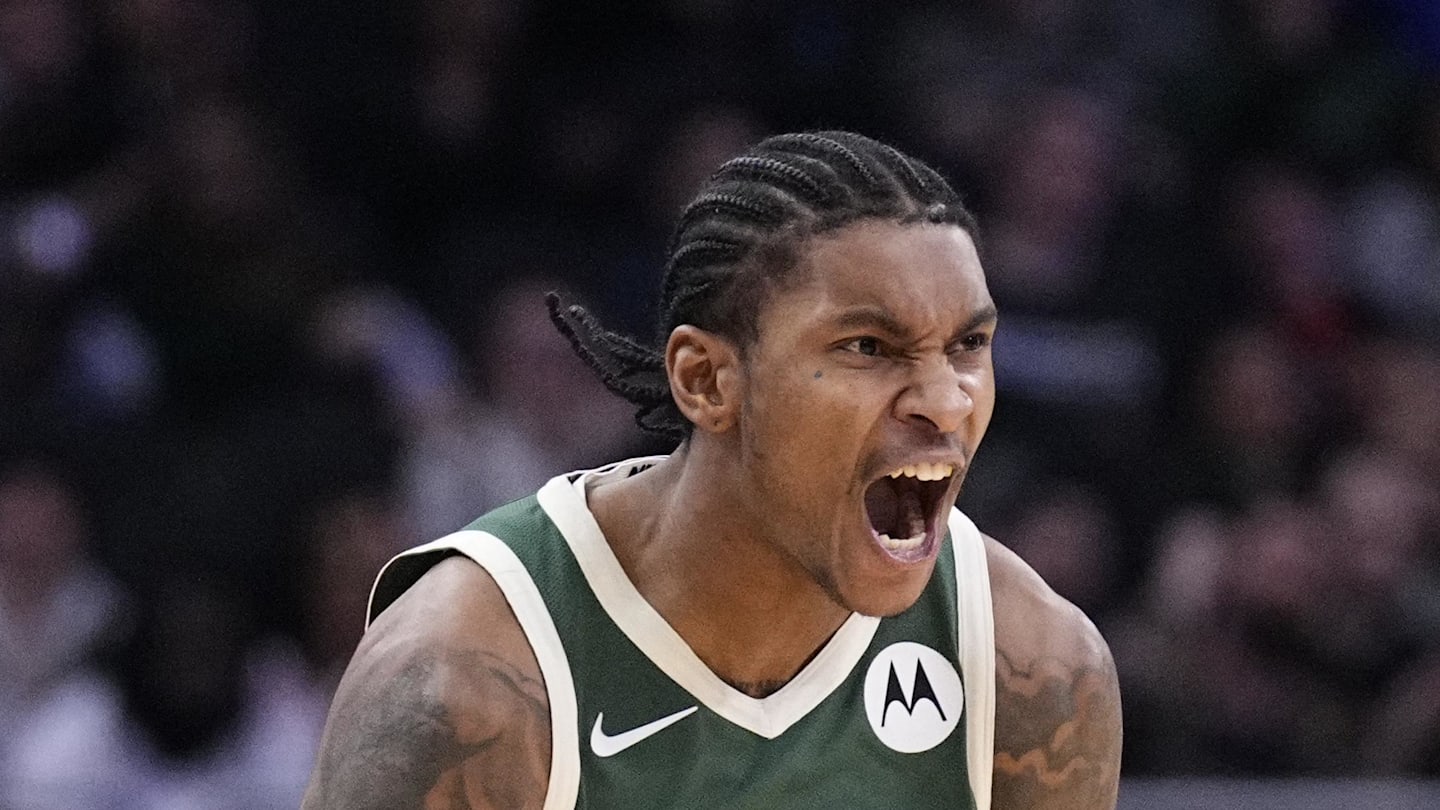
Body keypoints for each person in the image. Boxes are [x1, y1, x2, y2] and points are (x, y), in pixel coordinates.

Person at [302, 131, 1122, 809]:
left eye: (968, 344)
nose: (945, 401)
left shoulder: (1030, 668)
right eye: (868, 347)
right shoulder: (462, 683)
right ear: (706, 381)